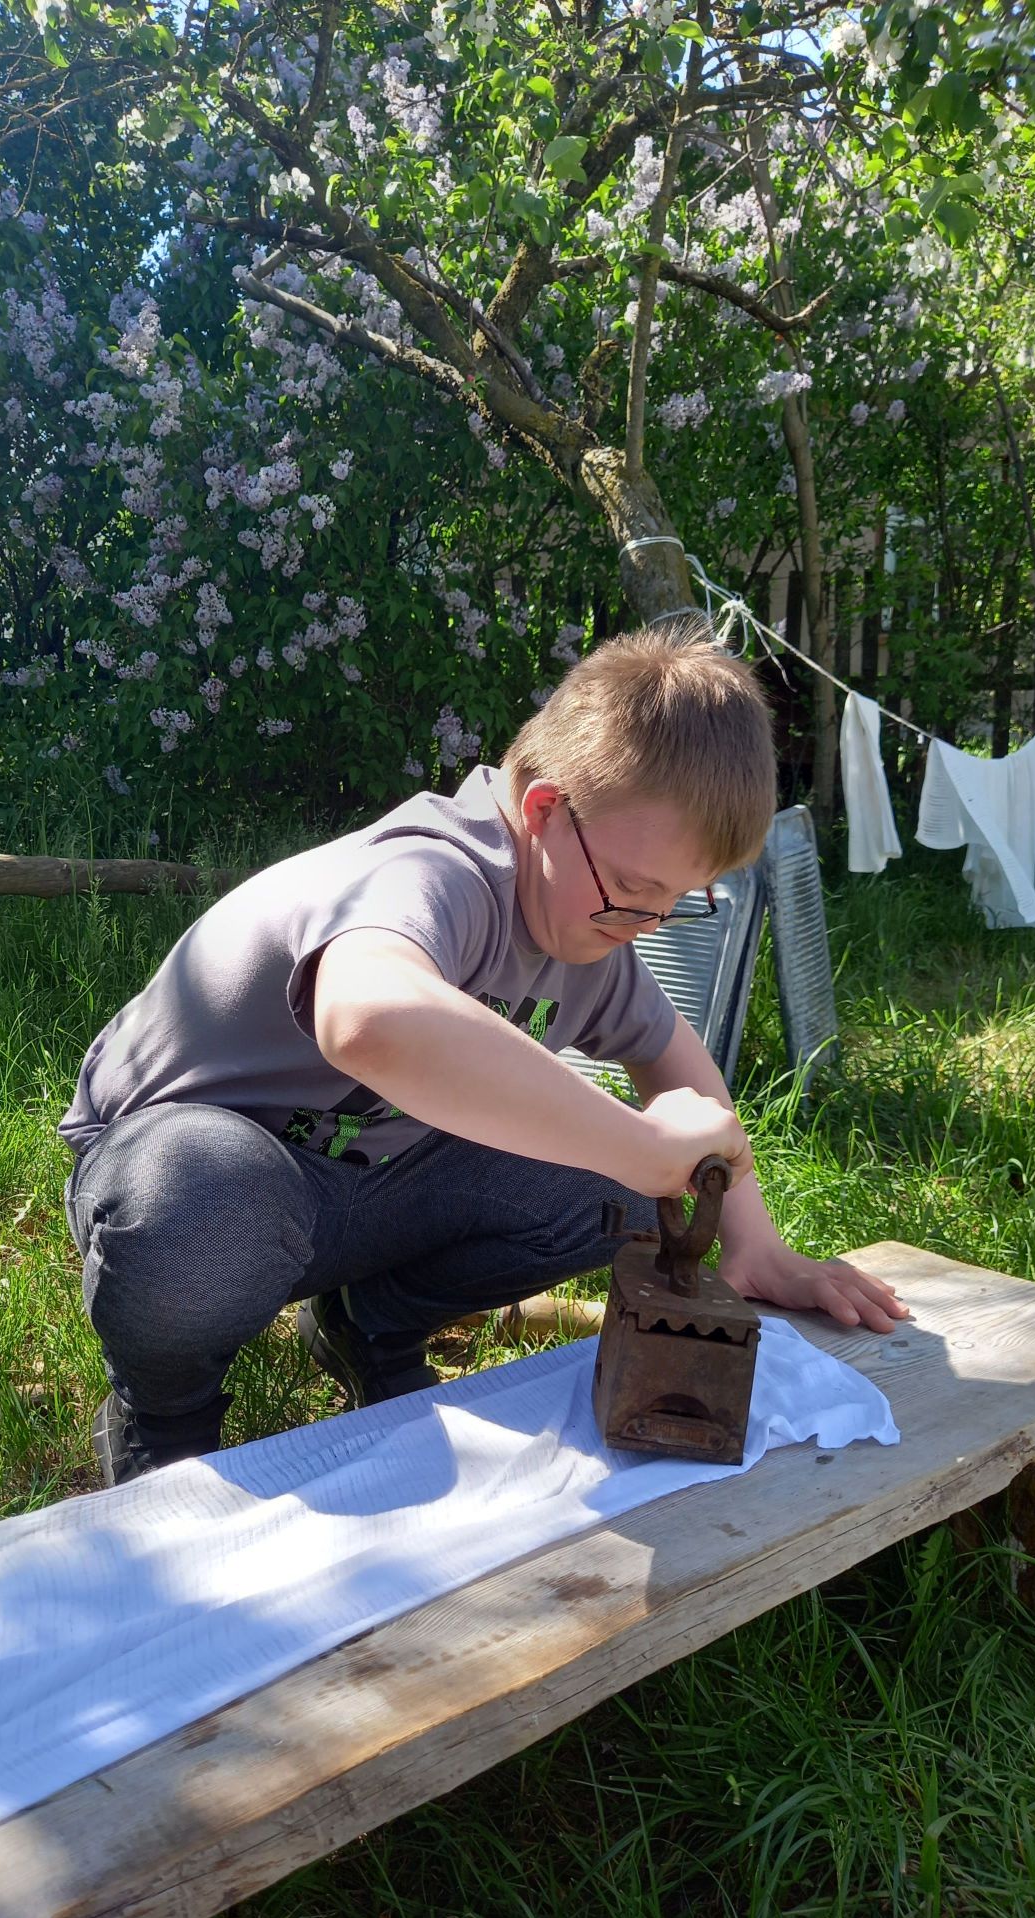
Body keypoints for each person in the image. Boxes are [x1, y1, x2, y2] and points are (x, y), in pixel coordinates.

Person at [62, 622, 909, 1486]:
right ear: (543, 811)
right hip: (193, 1176)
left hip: (366, 1187)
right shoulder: (435, 868)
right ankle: (163, 1414)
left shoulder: (586, 930)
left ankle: (369, 1322)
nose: (645, 928)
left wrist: (752, 1241)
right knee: (199, 1201)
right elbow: (368, 1018)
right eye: (634, 892)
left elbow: (674, 1058)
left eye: (677, 904)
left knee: (629, 1191)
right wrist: (638, 1143)